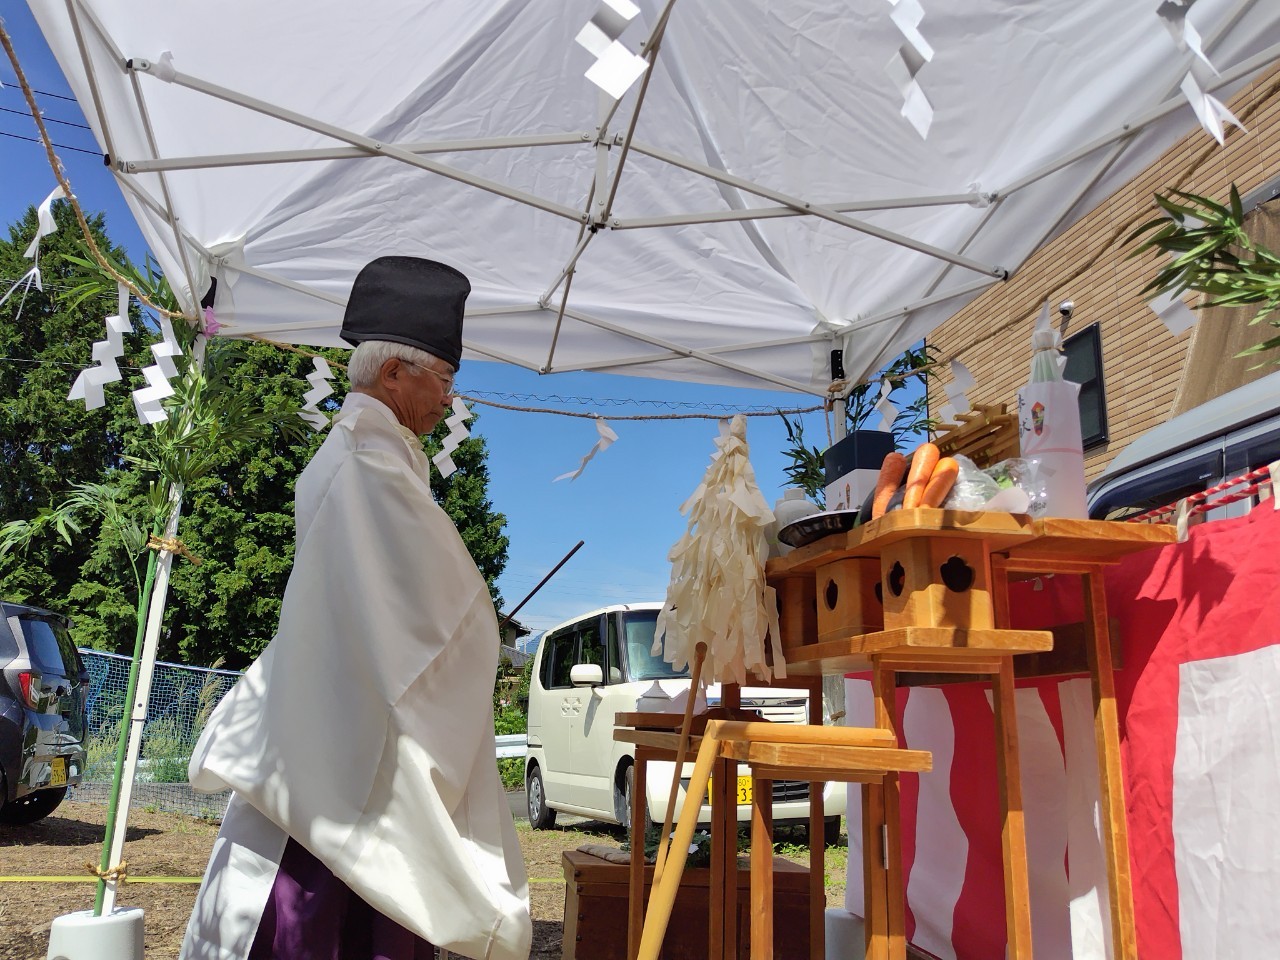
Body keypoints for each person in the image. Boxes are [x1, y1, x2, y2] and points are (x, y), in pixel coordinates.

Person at [179, 256, 532, 960]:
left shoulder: (370, 454)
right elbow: (440, 610)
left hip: (330, 727)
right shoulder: (368, 463)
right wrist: (474, 627)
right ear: (394, 373)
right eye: (445, 376)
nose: (448, 399)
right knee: (332, 913)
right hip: (339, 751)